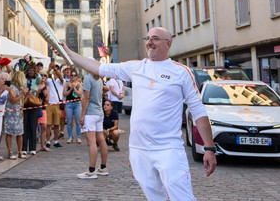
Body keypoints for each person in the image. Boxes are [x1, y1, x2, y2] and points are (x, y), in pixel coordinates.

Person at [59, 27, 217, 201]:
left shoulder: (181, 72)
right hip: (139, 150)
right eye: (147, 38)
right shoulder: (136, 67)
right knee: (154, 197)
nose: (149, 42)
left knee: (182, 197)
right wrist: (68, 52)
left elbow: (198, 110)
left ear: (168, 44)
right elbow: (97, 67)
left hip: (168, 149)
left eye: (155, 38)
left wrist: (209, 148)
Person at [77, 59, 108, 179]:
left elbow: (86, 98)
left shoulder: (88, 79)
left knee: (92, 143)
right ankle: (103, 167)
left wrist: (82, 115)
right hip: (99, 112)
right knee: (101, 139)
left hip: (91, 113)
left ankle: (91, 170)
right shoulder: (99, 79)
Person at [3, 71, 28, 159]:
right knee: (9, 133)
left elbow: (22, 102)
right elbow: (13, 100)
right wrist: (22, 94)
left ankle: (20, 151)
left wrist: (25, 95)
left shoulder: (21, 88)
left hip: (18, 113)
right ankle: (10, 152)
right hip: (11, 113)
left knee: (20, 133)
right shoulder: (12, 88)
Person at [22, 62, 42, 155]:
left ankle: (33, 148)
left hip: (34, 103)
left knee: (33, 126)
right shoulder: (24, 79)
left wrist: (36, 70)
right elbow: (21, 75)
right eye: (29, 70)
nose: (31, 72)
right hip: (25, 103)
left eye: (32, 71)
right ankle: (24, 148)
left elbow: (40, 78)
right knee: (24, 126)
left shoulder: (36, 80)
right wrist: (27, 69)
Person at [45, 62, 64, 148]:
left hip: (57, 104)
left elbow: (60, 77)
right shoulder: (49, 80)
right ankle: (48, 141)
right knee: (48, 124)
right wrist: (49, 68)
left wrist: (56, 68)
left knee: (57, 124)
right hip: (49, 104)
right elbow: (44, 77)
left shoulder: (61, 81)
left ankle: (56, 140)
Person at [63, 69, 82, 144]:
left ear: (77, 76)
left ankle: (78, 137)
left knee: (78, 121)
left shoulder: (79, 84)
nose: (73, 77)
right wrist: (71, 89)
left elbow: (80, 94)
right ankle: (70, 137)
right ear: (70, 76)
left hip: (77, 103)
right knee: (69, 121)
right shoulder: (67, 84)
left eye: (74, 75)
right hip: (69, 104)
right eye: (72, 75)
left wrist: (74, 88)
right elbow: (64, 94)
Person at [37, 71, 50, 152]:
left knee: (44, 127)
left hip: (43, 108)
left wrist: (45, 95)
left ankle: (43, 145)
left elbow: (47, 101)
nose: (43, 76)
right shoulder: (35, 85)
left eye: (45, 75)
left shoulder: (47, 87)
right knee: (34, 128)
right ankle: (32, 145)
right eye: (41, 75)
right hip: (34, 107)